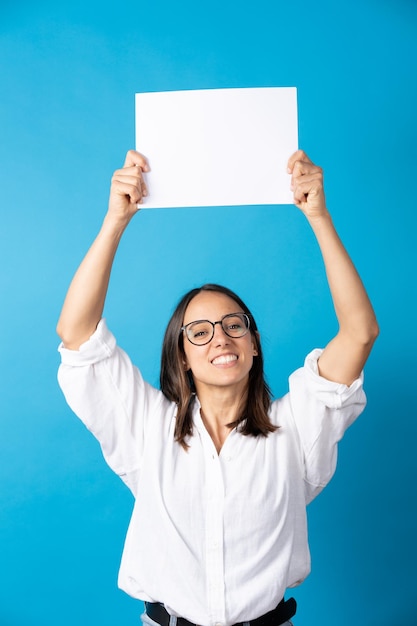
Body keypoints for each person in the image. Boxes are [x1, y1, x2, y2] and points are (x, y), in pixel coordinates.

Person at [56, 149, 379, 626]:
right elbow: (77, 334)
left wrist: (318, 216)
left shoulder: (296, 427)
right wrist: (115, 220)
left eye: (234, 325)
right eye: (200, 331)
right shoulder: (147, 426)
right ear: (182, 358)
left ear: (253, 344)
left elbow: (359, 333)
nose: (221, 339)